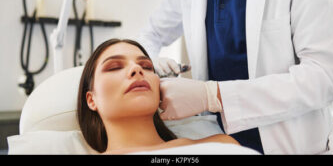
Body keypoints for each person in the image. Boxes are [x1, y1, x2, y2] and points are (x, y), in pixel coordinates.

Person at [137, 0, 333, 154]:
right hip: (224, 147)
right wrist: (147, 62)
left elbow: (325, 76)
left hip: (297, 146)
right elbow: (150, 35)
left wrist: (212, 96)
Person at [77, 38, 240, 154]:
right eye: (114, 67)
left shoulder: (222, 145)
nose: (136, 69)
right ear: (91, 100)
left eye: (147, 67)